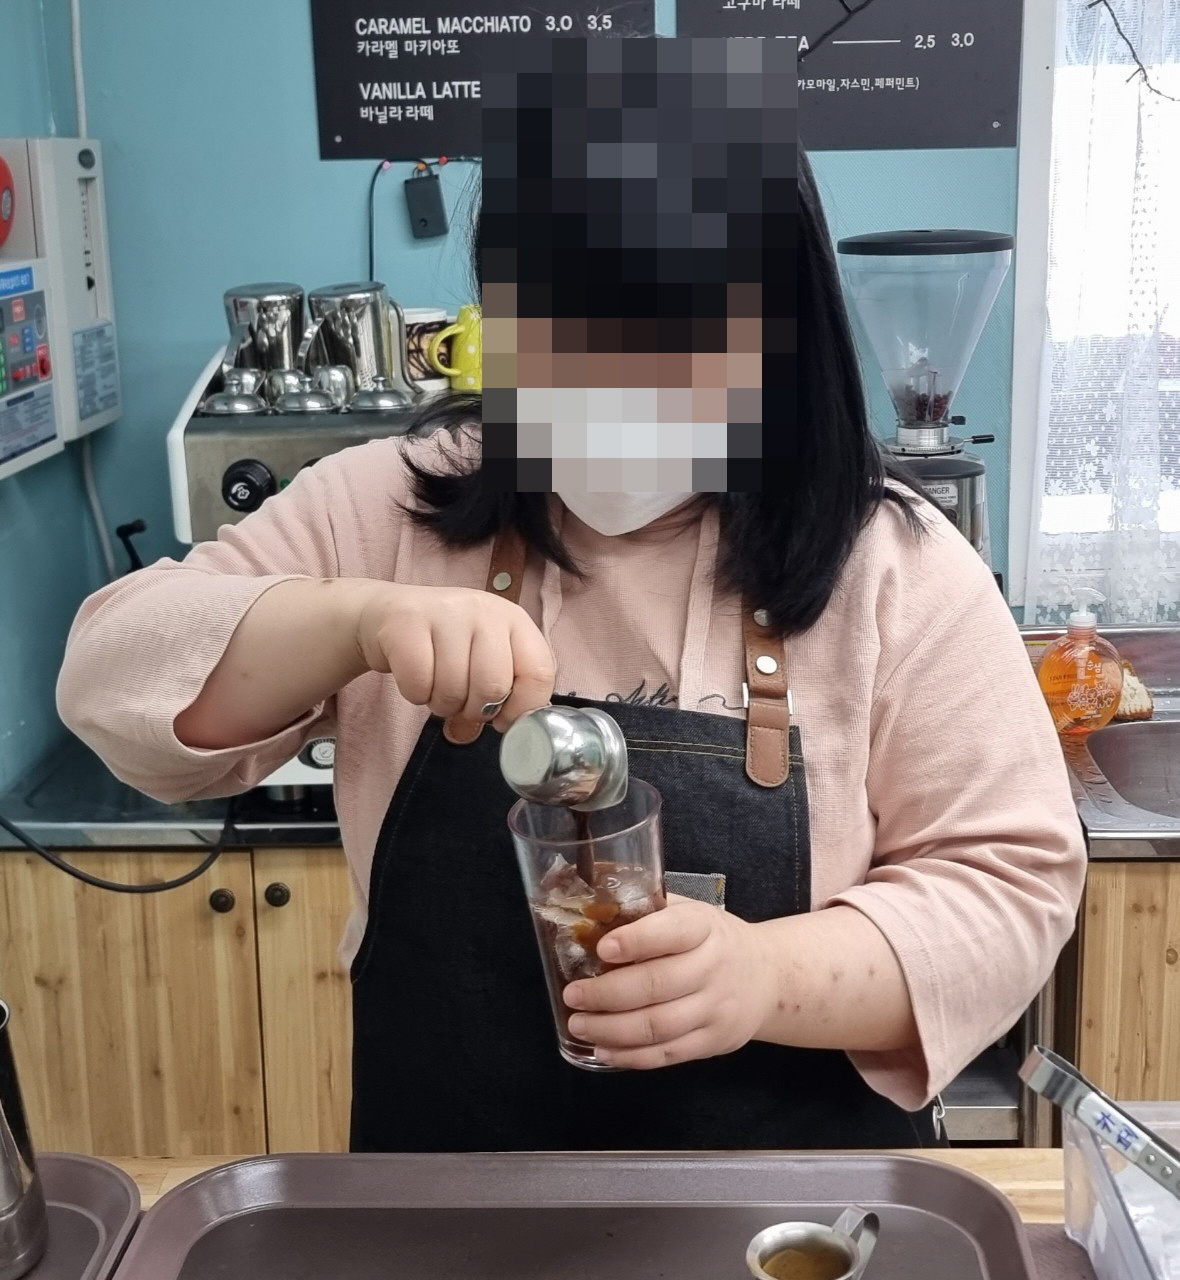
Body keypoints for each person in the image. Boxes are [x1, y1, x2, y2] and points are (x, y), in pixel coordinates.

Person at [57, 142, 1086, 1153]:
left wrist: (765, 976)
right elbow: (111, 682)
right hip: (448, 1205)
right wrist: (350, 619)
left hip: (791, 1217)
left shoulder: (892, 561)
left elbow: (1010, 886)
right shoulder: (386, 504)